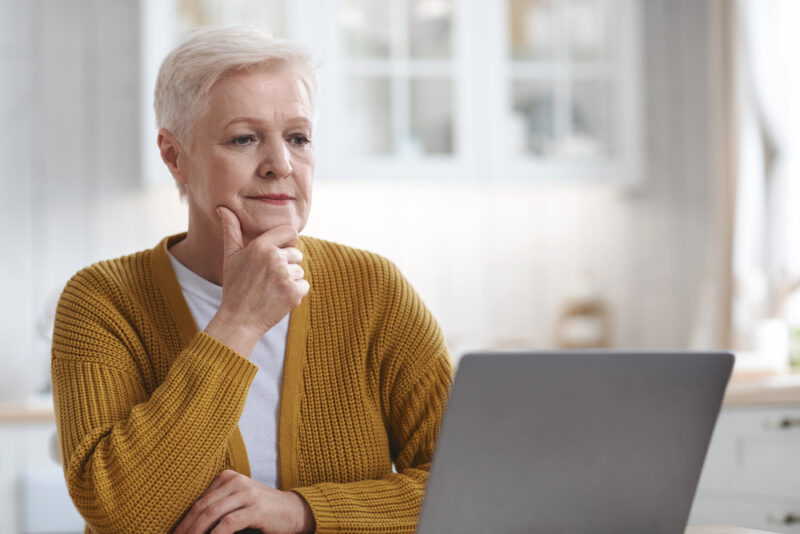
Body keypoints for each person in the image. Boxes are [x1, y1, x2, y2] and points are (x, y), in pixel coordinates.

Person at [51, 27, 453, 534]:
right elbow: (119, 510)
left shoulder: (372, 289)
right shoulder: (102, 301)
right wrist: (237, 322)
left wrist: (303, 511)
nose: (281, 165)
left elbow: (469, 486)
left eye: (298, 138)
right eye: (245, 138)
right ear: (174, 156)